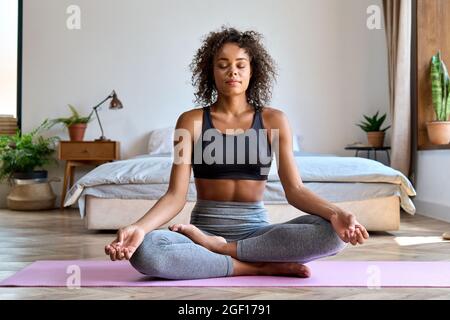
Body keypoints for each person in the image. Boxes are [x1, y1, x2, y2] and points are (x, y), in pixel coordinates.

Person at [105, 26, 369, 280]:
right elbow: (175, 195)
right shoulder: (191, 122)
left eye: (241, 65)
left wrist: (336, 214)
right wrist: (139, 228)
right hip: (201, 231)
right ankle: (256, 268)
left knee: (332, 234)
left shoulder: (273, 120)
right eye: (223, 65)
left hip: (257, 234)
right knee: (147, 250)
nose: (232, 71)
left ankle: (223, 252)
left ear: (253, 70)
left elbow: (295, 190)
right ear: (211, 71)